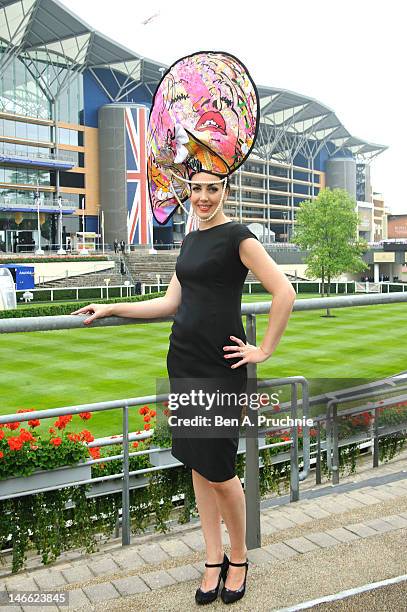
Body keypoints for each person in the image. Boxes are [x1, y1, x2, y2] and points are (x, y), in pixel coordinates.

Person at [71, 51, 296, 606]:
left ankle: (240, 560)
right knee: (197, 464)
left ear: (226, 190)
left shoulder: (238, 235)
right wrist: (113, 309)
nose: (201, 196)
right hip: (184, 360)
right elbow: (171, 301)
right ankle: (211, 559)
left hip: (222, 366)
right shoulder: (191, 240)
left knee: (221, 470)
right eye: (195, 188)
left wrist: (263, 350)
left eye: (211, 189)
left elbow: (284, 291)